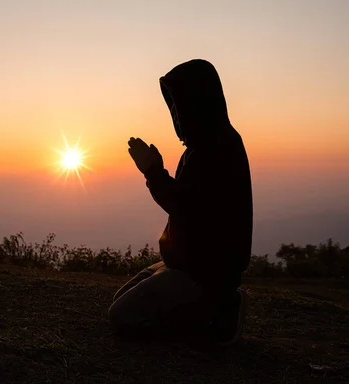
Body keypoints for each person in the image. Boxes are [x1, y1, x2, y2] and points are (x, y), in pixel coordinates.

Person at [107, 59, 253, 344]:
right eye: (172, 106)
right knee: (120, 303)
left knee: (123, 317)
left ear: (198, 102)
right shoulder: (202, 146)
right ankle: (212, 306)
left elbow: (185, 208)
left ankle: (221, 312)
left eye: (178, 104)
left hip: (205, 273)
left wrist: (153, 172)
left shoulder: (218, 149)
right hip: (185, 264)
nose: (175, 114)